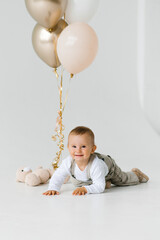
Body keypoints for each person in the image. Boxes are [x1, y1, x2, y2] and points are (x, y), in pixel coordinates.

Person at [43, 126, 149, 196]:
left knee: (122, 180)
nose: (78, 150)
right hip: (87, 177)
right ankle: (103, 182)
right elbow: (58, 176)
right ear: (68, 147)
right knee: (76, 183)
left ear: (93, 149)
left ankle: (136, 175)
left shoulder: (96, 165)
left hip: (109, 169)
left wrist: (86, 189)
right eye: (74, 146)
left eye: (83, 146)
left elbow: (99, 187)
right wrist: (53, 188)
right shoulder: (68, 162)